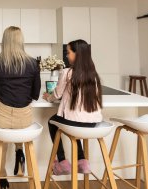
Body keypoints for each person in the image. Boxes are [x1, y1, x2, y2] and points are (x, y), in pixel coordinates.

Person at [0, 26, 41, 189]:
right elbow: (35, 94)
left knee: (0, 141)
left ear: (4, 42)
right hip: (24, 119)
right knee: (19, 131)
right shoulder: (33, 64)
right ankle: (19, 150)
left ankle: (2, 178)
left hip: (1, 116)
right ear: (21, 41)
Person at [43, 39, 103, 175]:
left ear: (77, 54)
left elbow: (56, 95)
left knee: (52, 122)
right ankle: (82, 161)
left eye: (69, 52)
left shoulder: (67, 73)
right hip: (93, 124)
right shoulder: (93, 74)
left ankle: (62, 162)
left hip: (74, 123)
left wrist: (47, 96)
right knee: (77, 126)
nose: (67, 55)